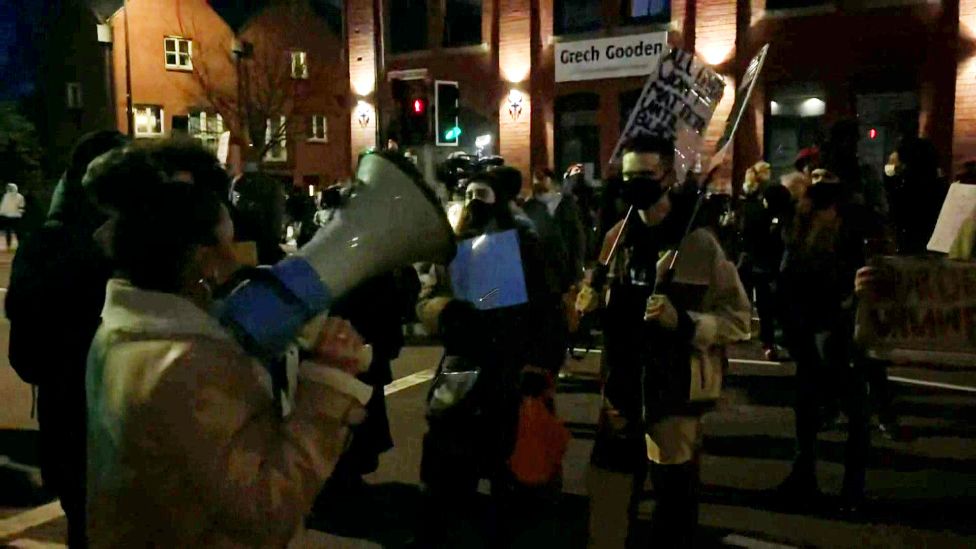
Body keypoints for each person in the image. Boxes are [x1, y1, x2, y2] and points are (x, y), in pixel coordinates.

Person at [86, 164, 371, 547]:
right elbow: (265, 508)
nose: (236, 259)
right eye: (228, 244)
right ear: (205, 260)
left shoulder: (126, 331)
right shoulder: (188, 364)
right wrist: (326, 383)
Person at [581, 135, 751, 548]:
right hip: (619, 390)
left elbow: (739, 320)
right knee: (609, 504)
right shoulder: (616, 238)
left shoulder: (699, 243)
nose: (634, 185)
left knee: (673, 508)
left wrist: (687, 323)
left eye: (645, 175)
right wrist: (588, 302)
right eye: (627, 177)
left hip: (672, 395)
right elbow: (597, 298)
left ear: (668, 177)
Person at [416, 168, 565, 545]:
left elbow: (549, 312)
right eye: (467, 196)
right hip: (461, 373)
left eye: (481, 196)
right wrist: (442, 311)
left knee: (512, 487)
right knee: (445, 479)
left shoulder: (526, 244)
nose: (472, 204)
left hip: (508, 376)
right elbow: (425, 299)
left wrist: (540, 366)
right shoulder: (449, 247)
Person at [5, 130, 128, 548]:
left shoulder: (45, 242)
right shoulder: (118, 247)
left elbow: (25, 358)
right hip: (108, 432)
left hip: (74, 434)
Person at [776, 173, 885, 513]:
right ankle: (807, 475)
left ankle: (849, 488)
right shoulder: (804, 236)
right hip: (815, 331)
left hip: (840, 335)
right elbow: (791, 282)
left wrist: (853, 298)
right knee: (811, 409)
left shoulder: (848, 239)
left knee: (851, 411)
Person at [738, 162, 787, 360]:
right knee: (767, 303)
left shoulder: (750, 205)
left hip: (756, 260)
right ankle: (769, 340)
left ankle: (765, 338)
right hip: (766, 262)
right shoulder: (763, 208)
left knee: (760, 301)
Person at [0, 182, 26, 249]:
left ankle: (20, 245)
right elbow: (3, 206)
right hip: (7, 217)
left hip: (15, 217)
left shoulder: (19, 196)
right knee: (8, 232)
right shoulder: (6, 196)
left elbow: (21, 207)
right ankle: (9, 245)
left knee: (18, 232)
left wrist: (20, 214)